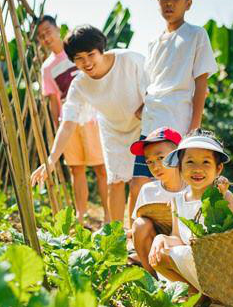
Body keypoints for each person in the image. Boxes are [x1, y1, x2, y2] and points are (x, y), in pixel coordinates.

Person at [31, 25, 148, 227]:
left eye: (90, 55)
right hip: (112, 130)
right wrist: (51, 160)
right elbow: (67, 124)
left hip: (144, 125)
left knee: (138, 182)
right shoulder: (79, 84)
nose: (86, 62)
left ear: (101, 49)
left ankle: (136, 233)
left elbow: (156, 86)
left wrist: (146, 105)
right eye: (78, 58)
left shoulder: (129, 59)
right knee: (114, 182)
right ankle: (116, 235)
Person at [148, 130, 233, 307]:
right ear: (179, 167)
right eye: (190, 162)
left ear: (218, 169)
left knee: (189, 253)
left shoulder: (224, 196)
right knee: (159, 254)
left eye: (206, 162)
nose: (197, 169)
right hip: (194, 260)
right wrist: (160, 239)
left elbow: (230, 236)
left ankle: (224, 302)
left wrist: (218, 200)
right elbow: (178, 237)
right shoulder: (177, 200)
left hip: (220, 265)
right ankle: (194, 294)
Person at [134, 0, 218, 195]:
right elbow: (152, 82)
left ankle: (178, 227)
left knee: (175, 184)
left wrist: (194, 128)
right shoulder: (154, 42)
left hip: (176, 121)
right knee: (139, 183)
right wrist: (142, 107)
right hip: (150, 120)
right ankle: (137, 227)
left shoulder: (196, 35)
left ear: (188, 3)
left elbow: (201, 83)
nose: (169, 2)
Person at [36, 15, 109, 224]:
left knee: (101, 168)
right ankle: (80, 216)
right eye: (41, 36)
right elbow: (53, 99)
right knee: (76, 169)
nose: (46, 38)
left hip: (93, 116)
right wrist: (57, 124)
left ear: (57, 29)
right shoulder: (47, 68)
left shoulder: (77, 53)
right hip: (69, 121)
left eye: (48, 31)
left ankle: (109, 214)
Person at [129, 127, 189, 275]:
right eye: (149, 162)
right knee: (140, 224)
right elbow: (137, 229)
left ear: (178, 155)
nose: (155, 167)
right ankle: (153, 278)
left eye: (161, 158)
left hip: (188, 249)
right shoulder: (148, 190)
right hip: (158, 250)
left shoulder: (194, 189)